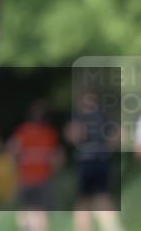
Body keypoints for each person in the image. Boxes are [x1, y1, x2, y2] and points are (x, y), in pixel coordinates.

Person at [64, 90, 123, 231]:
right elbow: (118, 134)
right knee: (91, 199)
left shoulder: (85, 117)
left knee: (94, 199)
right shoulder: (99, 116)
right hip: (94, 161)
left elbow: (71, 136)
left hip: (92, 162)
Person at [9, 100, 63, 231]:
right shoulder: (45, 132)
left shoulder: (25, 131)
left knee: (29, 212)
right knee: (36, 212)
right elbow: (58, 158)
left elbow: (12, 150)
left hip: (33, 178)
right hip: (35, 179)